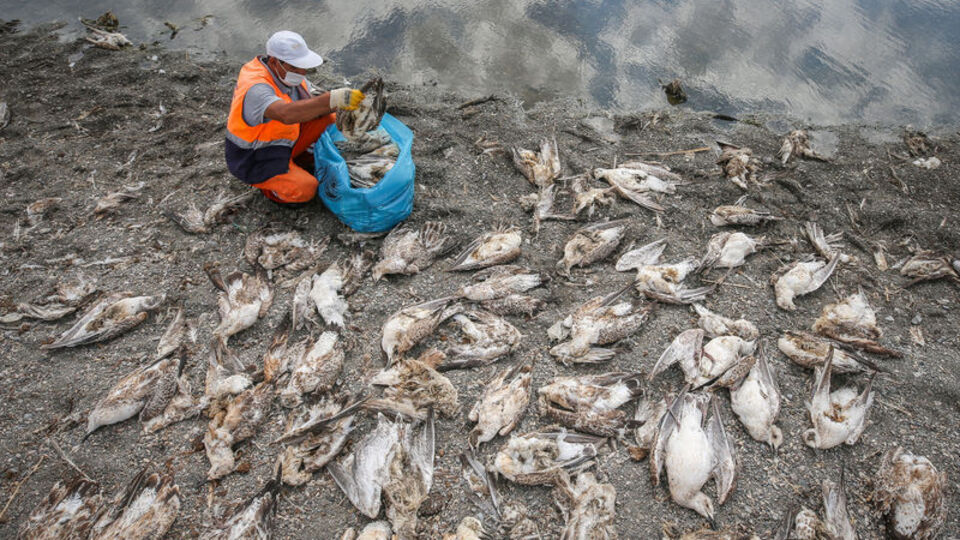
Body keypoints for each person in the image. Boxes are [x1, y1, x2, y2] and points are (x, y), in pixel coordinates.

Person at [225, 30, 364, 206]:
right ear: (274, 61)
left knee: (330, 117)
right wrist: (332, 99)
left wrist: (336, 103)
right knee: (306, 189)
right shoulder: (256, 88)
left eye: (303, 66)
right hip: (254, 158)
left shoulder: (288, 77)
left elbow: (311, 103)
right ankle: (270, 189)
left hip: (281, 142)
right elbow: (285, 113)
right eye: (294, 67)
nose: (301, 72)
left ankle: (298, 159)